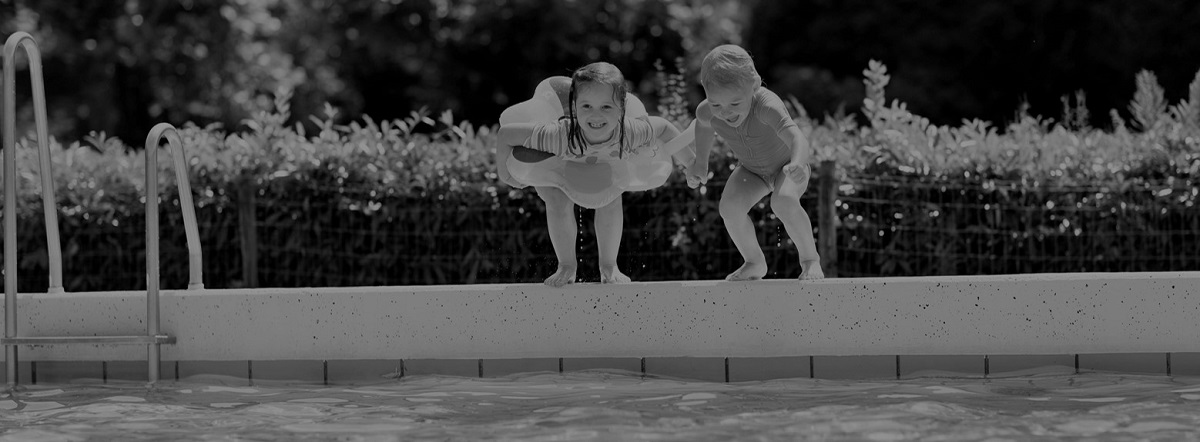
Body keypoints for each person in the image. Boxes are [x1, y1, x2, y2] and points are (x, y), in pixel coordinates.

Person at [497, 62, 692, 287]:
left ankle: (609, 266)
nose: (595, 115)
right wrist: (506, 174)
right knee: (557, 200)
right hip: (561, 159)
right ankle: (566, 265)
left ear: (621, 109)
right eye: (586, 106)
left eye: (606, 107)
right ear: (574, 106)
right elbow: (506, 134)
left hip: (607, 162)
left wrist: (690, 163)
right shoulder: (559, 135)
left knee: (610, 198)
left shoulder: (628, 133)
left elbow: (665, 129)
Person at [686, 44, 825, 281]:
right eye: (716, 104)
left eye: (735, 104)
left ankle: (810, 260)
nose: (726, 112)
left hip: (787, 168)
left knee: (783, 201)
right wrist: (701, 162)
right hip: (752, 171)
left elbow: (796, 137)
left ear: (755, 85)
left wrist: (799, 164)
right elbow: (703, 124)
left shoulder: (766, 106)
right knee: (728, 209)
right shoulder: (708, 112)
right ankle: (754, 262)